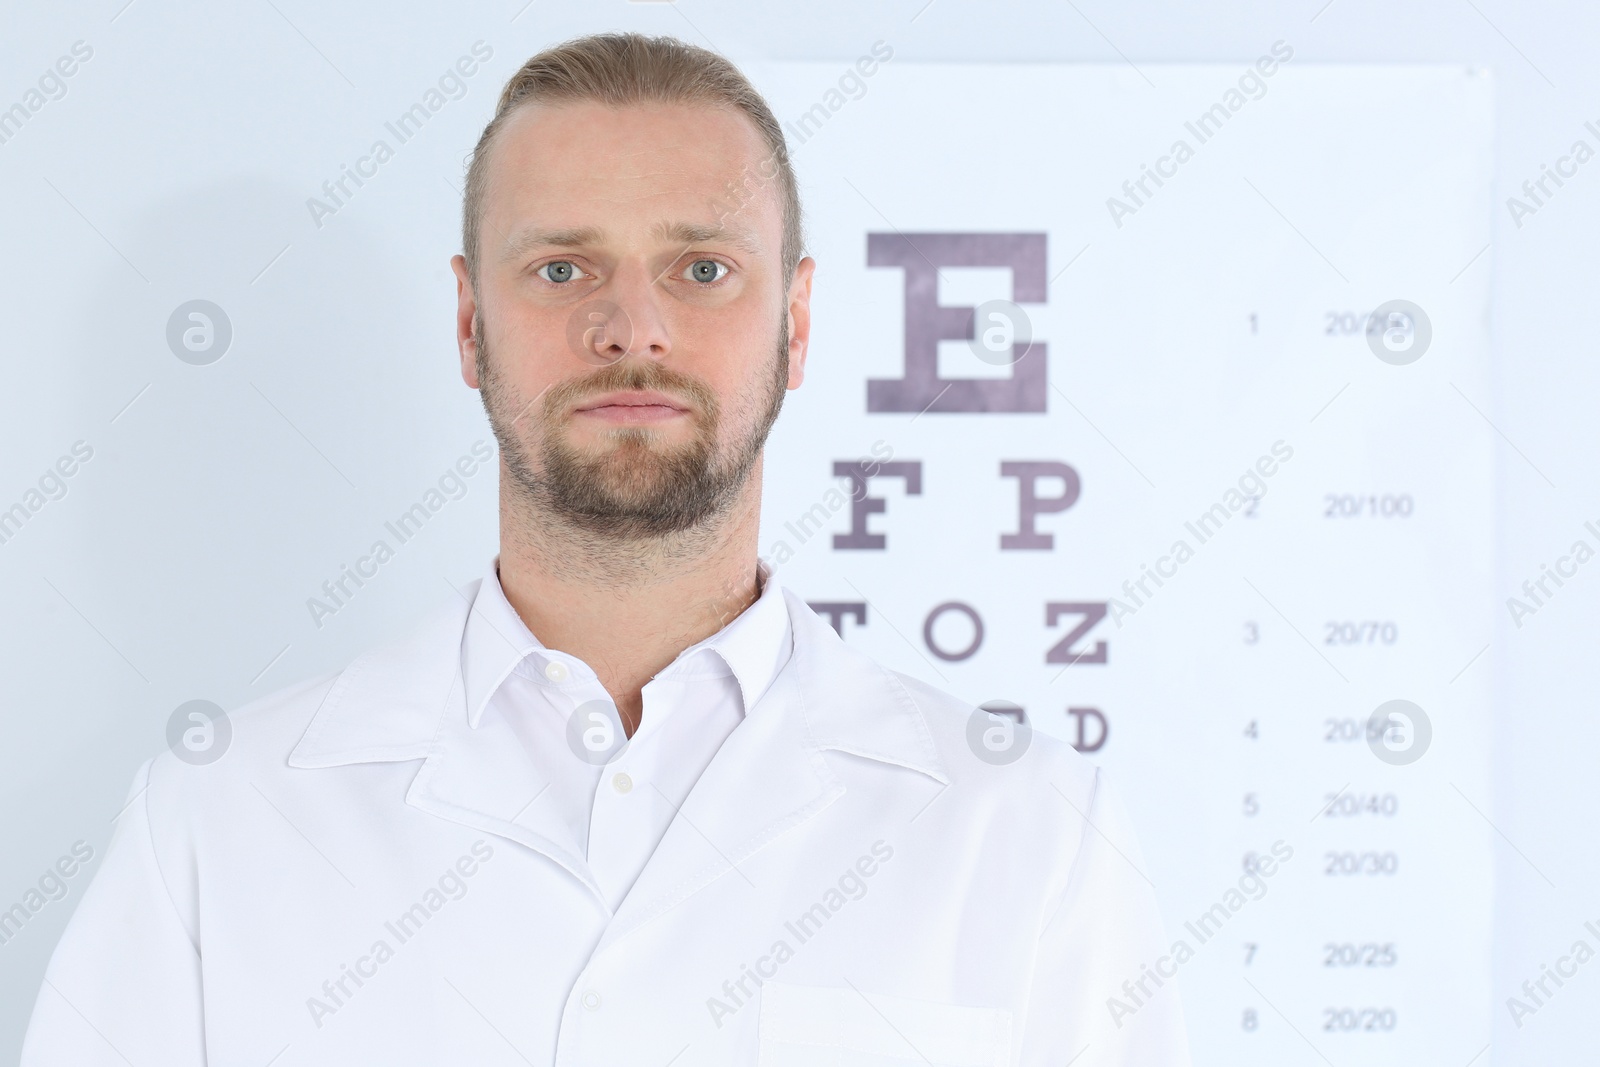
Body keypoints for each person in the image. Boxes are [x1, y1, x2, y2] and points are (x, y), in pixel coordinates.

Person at [22, 32, 1188, 1065]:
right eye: (563, 267)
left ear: (796, 323)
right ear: (472, 324)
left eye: (702, 268)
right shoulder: (223, 825)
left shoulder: (1026, 834)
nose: (631, 324)